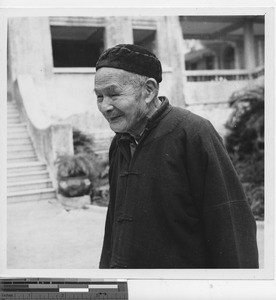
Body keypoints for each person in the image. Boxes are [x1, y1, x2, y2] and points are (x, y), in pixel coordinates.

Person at [94, 44, 259, 269]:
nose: (105, 107)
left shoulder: (193, 132)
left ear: (149, 90)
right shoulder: (120, 142)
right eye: (99, 96)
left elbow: (230, 225)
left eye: (113, 94)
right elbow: (114, 223)